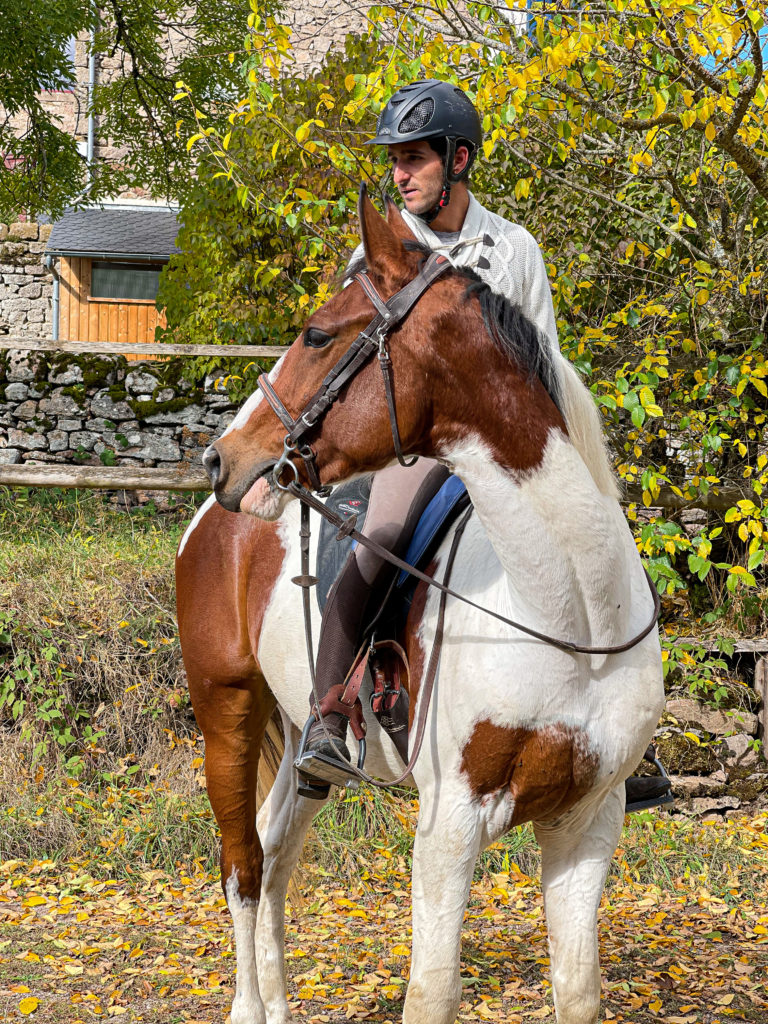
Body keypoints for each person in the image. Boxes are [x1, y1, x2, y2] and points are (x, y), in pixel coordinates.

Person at [296, 79, 672, 814]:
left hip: (510, 454)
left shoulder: (514, 249)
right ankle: (328, 715)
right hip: (424, 452)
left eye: (414, 158)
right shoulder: (383, 250)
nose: (400, 174)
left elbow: (545, 368)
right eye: (395, 160)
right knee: (381, 537)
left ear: (458, 159)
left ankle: (628, 737)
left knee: (609, 542)